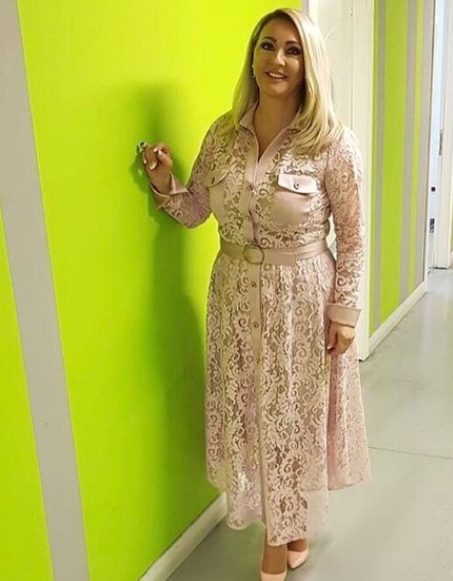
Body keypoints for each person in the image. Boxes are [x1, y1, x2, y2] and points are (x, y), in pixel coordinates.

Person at [140, 8, 372, 581]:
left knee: (289, 414)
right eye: (267, 46)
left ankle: (276, 541)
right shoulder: (222, 135)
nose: (278, 60)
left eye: (293, 50)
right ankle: (293, 528)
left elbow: (353, 234)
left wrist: (344, 312)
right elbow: (197, 210)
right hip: (233, 296)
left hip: (302, 299)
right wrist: (165, 182)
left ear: (309, 64)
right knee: (251, 411)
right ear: (252, 56)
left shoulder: (332, 143)